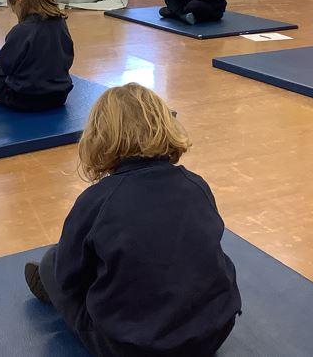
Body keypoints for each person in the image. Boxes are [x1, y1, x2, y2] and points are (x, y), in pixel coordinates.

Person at [24, 83, 242, 357]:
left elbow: (68, 276)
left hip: (131, 348)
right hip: (213, 334)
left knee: (52, 262)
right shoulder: (196, 184)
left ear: (99, 137)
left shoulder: (97, 200)